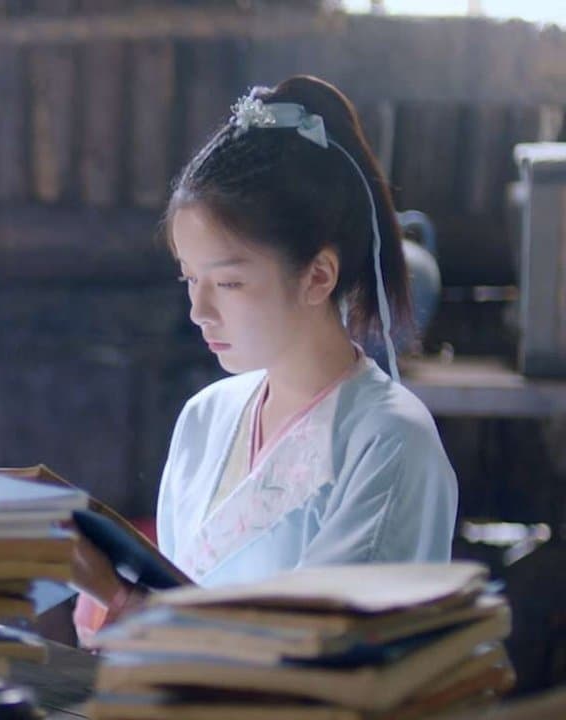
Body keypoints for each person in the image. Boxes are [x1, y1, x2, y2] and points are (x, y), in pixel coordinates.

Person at [71, 75, 459, 645]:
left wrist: (138, 610)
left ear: (318, 276)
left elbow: (332, 654)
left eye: (228, 283)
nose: (199, 310)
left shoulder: (390, 441)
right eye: (190, 279)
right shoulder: (206, 416)